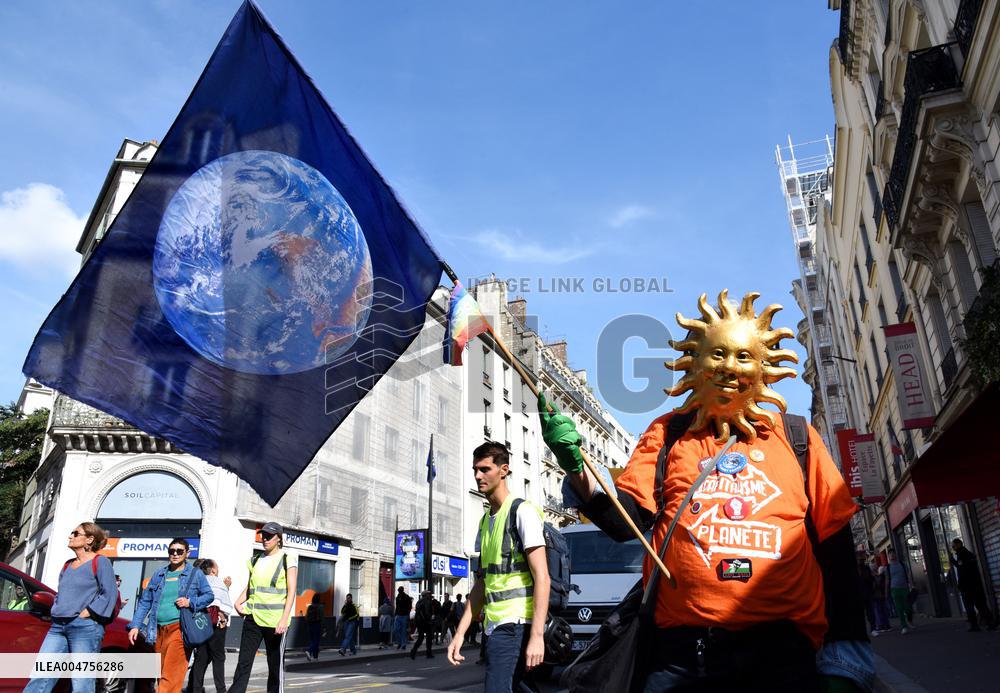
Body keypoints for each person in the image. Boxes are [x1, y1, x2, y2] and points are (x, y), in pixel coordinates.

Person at [542, 291, 873, 691]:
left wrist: (847, 658)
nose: (730, 368)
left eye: (744, 356)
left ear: (764, 367)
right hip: (683, 659)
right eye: (717, 355)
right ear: (694, 363)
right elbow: (624, 522)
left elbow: (835, 547)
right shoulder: (668, 435)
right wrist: (577, 466)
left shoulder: (796, 437)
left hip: (783, 655)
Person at [447, 441, 550, 693]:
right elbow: (482, 584)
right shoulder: (485, 522)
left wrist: (537, 636)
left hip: (515, 624)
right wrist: (460, 633)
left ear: (503, 470)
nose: (477, 476)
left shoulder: (522, 512)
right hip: (494, 626)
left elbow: (543, 577)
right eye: (475, 470)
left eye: (485, 469)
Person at [25, 522, 118, 693]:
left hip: (85, 627)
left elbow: (109, 594)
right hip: (57, 627)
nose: (71, 536)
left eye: (76, 533)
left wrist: (88, 612)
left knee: (81, 681)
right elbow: (61, 593)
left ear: (89, 539)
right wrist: (56, 609)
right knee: (40, 675)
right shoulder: (67, 565)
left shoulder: (100, 562)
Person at [127, 538, 214, 693]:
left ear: (187, 553)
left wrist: (190, 602)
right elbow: (145, 602)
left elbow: (209, 596)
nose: (175, 554)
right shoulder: (159, 574)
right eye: (171, 551)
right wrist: (135, 625)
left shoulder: (195, 574)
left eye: (179, 551)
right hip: (157, 630)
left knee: (171, 675)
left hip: (179, 629)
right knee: (161, 674)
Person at [231, 522, 298, 693]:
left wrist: (284, 619)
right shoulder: (255, 560)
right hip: (252, 618)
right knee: (243, 664)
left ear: (279, 539)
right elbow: (252, 586)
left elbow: (292, 591)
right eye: (263, 535)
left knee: (274, 667)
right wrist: (238, 601)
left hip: (275, 623)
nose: (265, 539)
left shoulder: (287, 559)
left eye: (269, 536)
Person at [187, 558, 235, 693]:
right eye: (217, 568)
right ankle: (221, 689)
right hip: (216, 624)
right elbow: (220, 601)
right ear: (213, 570)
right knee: (218, 658)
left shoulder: (199, 581)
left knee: (201, 657)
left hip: (200, 622)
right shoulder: (217, 582)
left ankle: (195, 689)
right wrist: (223, 616)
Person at [951, 538, 997, 631]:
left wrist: (954, 562)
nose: (953, 548)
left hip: (968, 586)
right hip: (975, 584)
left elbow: (962, 569)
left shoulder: (962, 554)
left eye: (954, 546)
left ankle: (975, 625)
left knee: (970, 606)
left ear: (959, 544)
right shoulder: (968, 553)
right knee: (980, 605)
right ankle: (990, 622)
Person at [886, 548, 913, 634]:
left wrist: (911, 585)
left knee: (908, 607)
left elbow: (908, 575)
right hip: (894, 589)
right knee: (899, 608)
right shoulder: (888, 567)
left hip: (904, 588)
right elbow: (887, 580)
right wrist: (886, 592)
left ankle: (909, 620)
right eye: (890, 554)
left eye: (893, 553)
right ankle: (904, 626)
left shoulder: (902, 564)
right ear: (888, 556)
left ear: (896, 554)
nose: (892, 555)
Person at [411, 590, 436, 659]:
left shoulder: (419, 601)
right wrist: (429, 620)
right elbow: (427, 612)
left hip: (419, 622)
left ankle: (413, 651)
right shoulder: (427, 602)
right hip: (425, 622)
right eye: (429, 594)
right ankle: (428, 653)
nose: (430, 595)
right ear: (426, 595)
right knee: (429, 638)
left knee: (420, 638)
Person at [306, 594, 324, 660]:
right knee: (316, 641)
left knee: (312, 640)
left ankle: (315, 657)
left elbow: (306, 616)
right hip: (317, 625)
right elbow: (322, 618)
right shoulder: (320, 606)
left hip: (310, 625)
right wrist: (324, 627)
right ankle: (309, 651)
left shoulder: (310, 607)